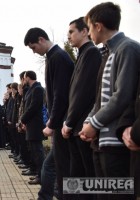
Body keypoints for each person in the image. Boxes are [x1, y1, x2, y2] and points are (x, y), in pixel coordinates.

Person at [79, 2, 140, 200]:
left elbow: (122, 95)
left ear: (98, 26)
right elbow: (100, 98)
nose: (88, 33)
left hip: (116, 142)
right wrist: (89, 121)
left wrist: (94, 123)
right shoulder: (108, 52)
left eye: (89, 28)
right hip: (101, 141)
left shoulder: (127, 48)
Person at [24, 28, 74, 200]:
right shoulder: (52, 57)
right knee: (55, 165)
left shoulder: (58, 57)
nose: (34, 52)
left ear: (41, 39)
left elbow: (60, 94)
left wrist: (52, 122)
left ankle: (47, 196)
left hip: (62, 122)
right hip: (61, 121)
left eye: (33, 47)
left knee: (52, 166)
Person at [61, 17, 102, 200]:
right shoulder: (82, 54)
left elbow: (83, 92)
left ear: (84, 31)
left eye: (71, 31)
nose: (68, 36)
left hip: (83, 127)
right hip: (76, 126)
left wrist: (69, 122)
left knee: (87, 178)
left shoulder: (92, 53)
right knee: (77, 177)